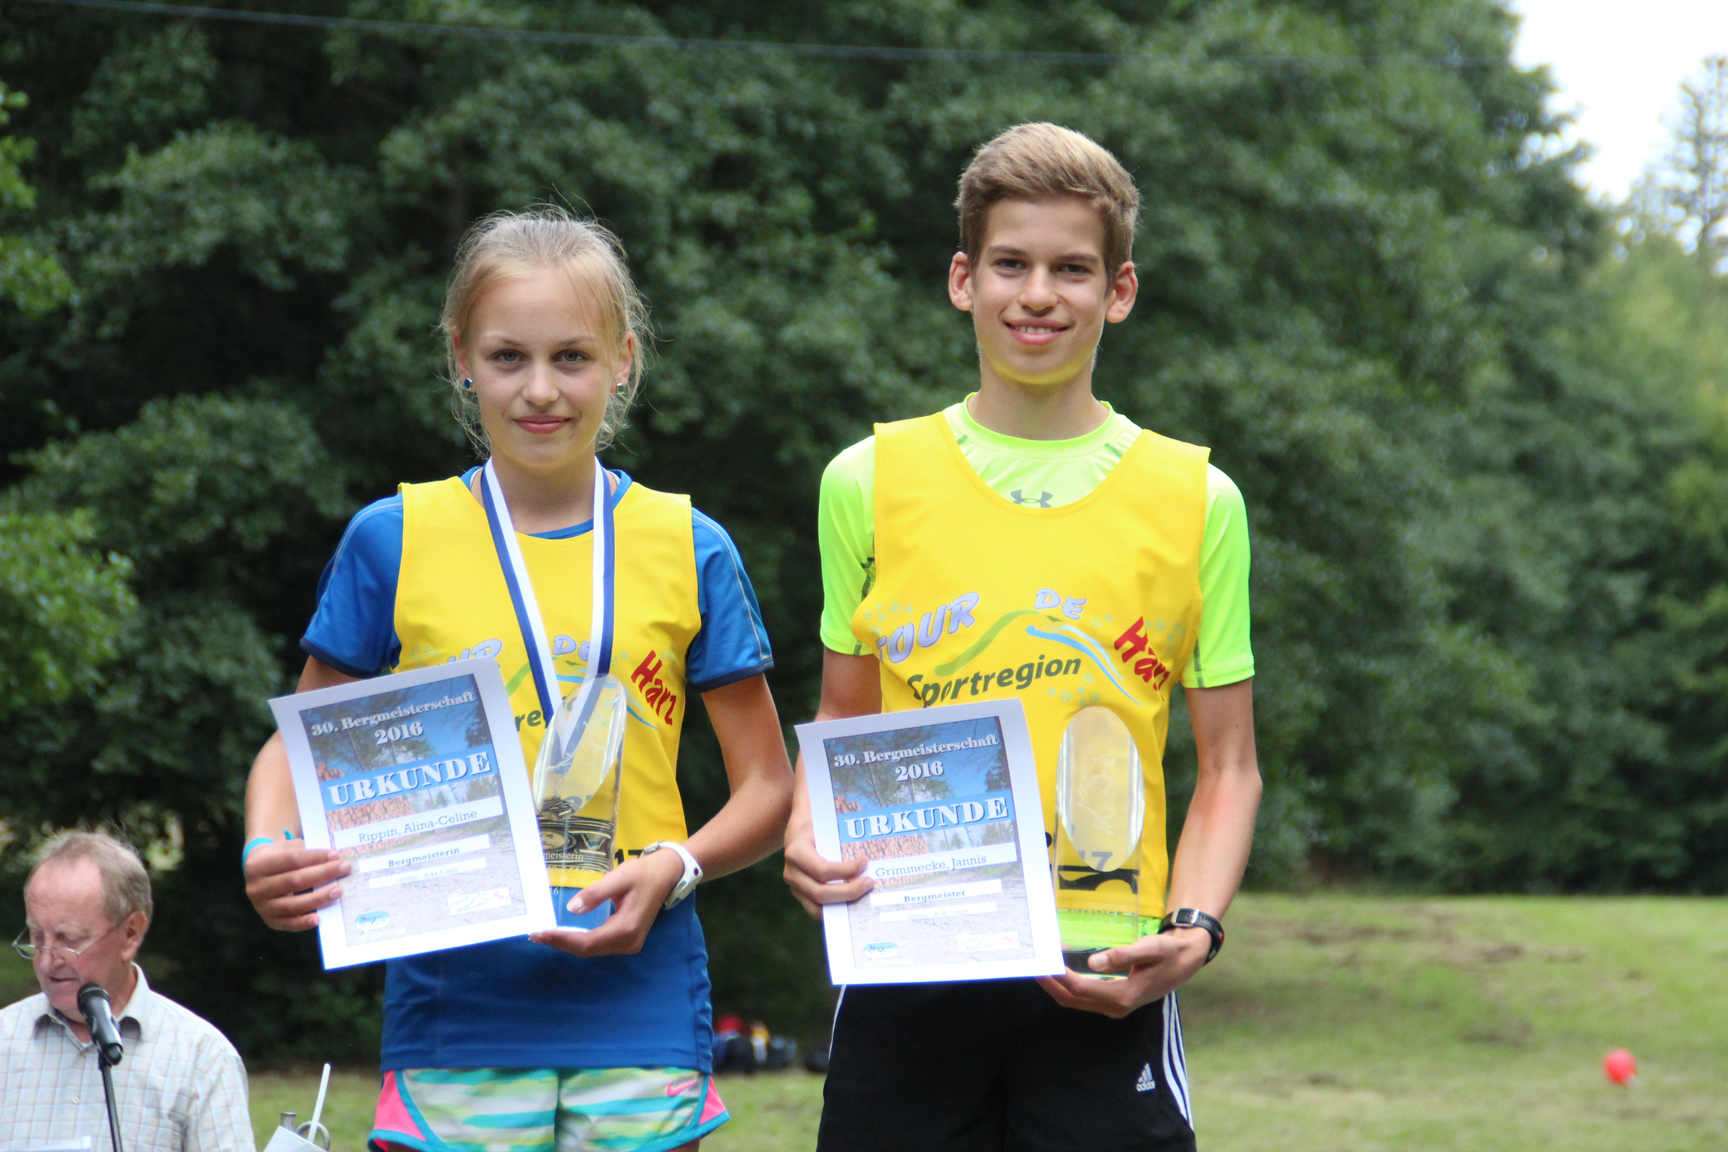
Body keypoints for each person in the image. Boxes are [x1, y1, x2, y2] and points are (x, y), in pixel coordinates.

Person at [241, 208, 794, 1152]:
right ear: (462, 357)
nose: (540, 390)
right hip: (456, 1001)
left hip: (642, 997)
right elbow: (298, 746)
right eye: (508, 358)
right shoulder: (393, 538)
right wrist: (268, 843)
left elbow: (769, 789)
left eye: (572, 357)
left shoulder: (690, 545)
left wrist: (679, 864)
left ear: (623, 361)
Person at [783, 123, 1264, 1152]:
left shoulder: (1199, 500)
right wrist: (803, 836)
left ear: (1118, 291)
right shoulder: (864, 482)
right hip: (909, 952)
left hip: (1106, 966)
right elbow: (842, 724)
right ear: (964, 279)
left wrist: (1193, 929)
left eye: (1071, 269)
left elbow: (1229, 768)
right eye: (1010, 263)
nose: (1037, 294)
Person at [1, 830, 253, 1151]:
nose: (47, 961)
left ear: (131, 934)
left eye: (70, 940)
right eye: (37, 937)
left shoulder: (202, 1060)